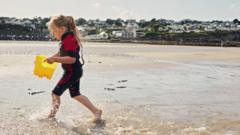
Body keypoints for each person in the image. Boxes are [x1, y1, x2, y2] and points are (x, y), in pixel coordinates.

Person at [45, 15, 102, 122]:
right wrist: (52, 57)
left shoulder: (69, 39)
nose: (53, 34)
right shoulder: (67, 38)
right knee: (75, 94)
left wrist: (55, 60)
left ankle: (52, 116)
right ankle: (96, 111)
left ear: (61, 29)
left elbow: (72, 59)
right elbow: (61, 53)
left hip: (72, 72)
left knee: (55, 93)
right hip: (74, 71)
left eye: (54, 31)